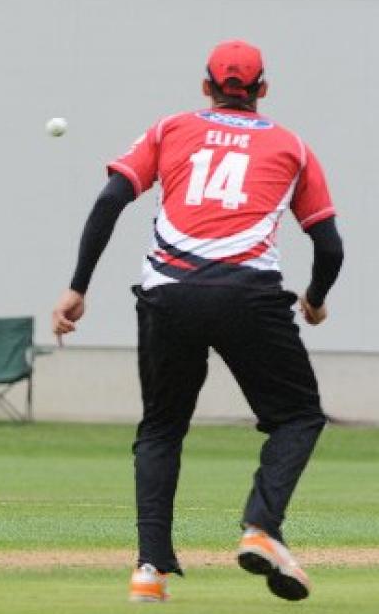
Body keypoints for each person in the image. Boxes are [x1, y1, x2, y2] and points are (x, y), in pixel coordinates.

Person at [52, 40, 343, 602]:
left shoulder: (170, 129)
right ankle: (261, 527)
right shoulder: (292, 146)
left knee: (162, 427)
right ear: (263, 90)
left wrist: (77, 287)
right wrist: (315, 297)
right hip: (248, 297)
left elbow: (110, 201)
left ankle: (148, 570)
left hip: (169, 296)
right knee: (298, 416)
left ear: (206, 87)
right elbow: (328, 245)